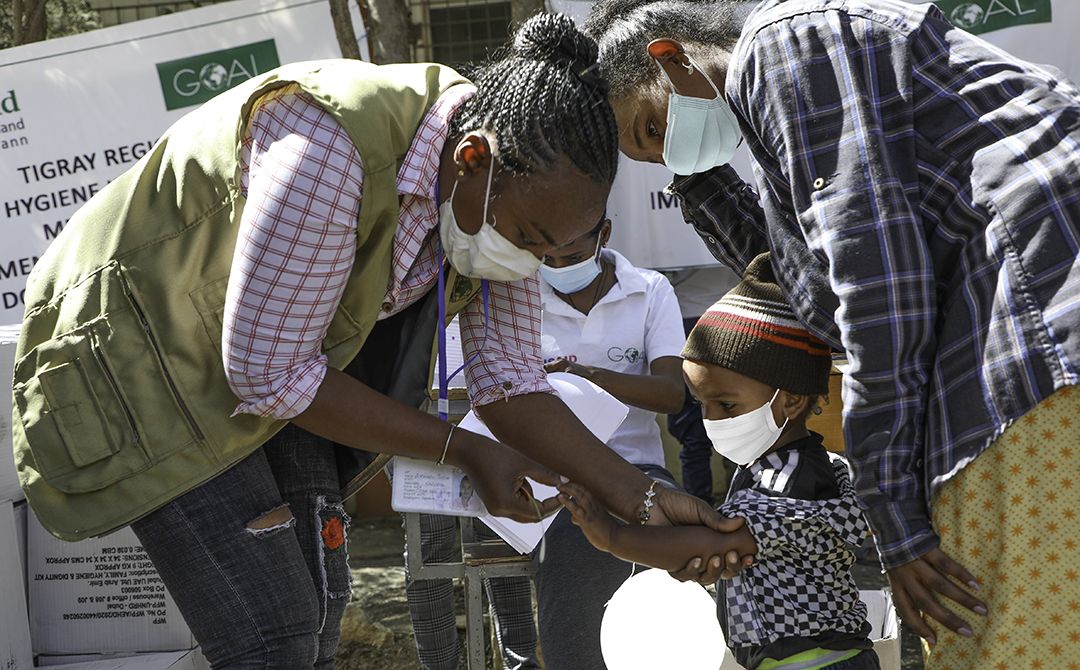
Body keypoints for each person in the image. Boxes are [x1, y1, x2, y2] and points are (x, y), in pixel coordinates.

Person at [10, 14, 746, 668]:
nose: (529, 264)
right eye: (526, 240)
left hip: (276, 363)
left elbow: (511, 381)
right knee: (273, 634)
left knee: (320, 612)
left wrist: (644, 497)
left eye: (551, 249)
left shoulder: (507, 195)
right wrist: (468, 449)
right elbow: (270, 375)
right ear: (472, 160)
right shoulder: (328, 145)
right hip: (145, 363)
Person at [584, 0, 1080, 666]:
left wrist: (896, 526)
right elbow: (807, 293)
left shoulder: (782, 46)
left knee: (1004, 639)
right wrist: (698, 178)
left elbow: (878, 298)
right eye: (650, 156)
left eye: (653, 127)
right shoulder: (779, 125)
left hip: (1045, 312)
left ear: (669, 57)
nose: (664, 153)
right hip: (1019, 331)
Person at [561, 252, 879, 669]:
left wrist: (609, 537)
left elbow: (714, 542)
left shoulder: (790, 483)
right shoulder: (780, 466)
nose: (711, 420)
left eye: (726, 406)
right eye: (703, 405)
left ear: (791, 400)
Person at [533, 215, 687, 668]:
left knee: (673, 543)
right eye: (548, 258)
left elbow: (671, 393)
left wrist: (588, 377)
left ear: (604, 233)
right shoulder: (518, 297)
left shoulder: (650, 290)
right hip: (554, 476)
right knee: (571, 544)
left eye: (574, 256)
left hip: (638, 467)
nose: (560, 266)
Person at [663, 266, 739, 504]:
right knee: (738, 418)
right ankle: (739, 501)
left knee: (694, 432)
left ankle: (700, 507)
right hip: (730, 317)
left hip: (687, 318)